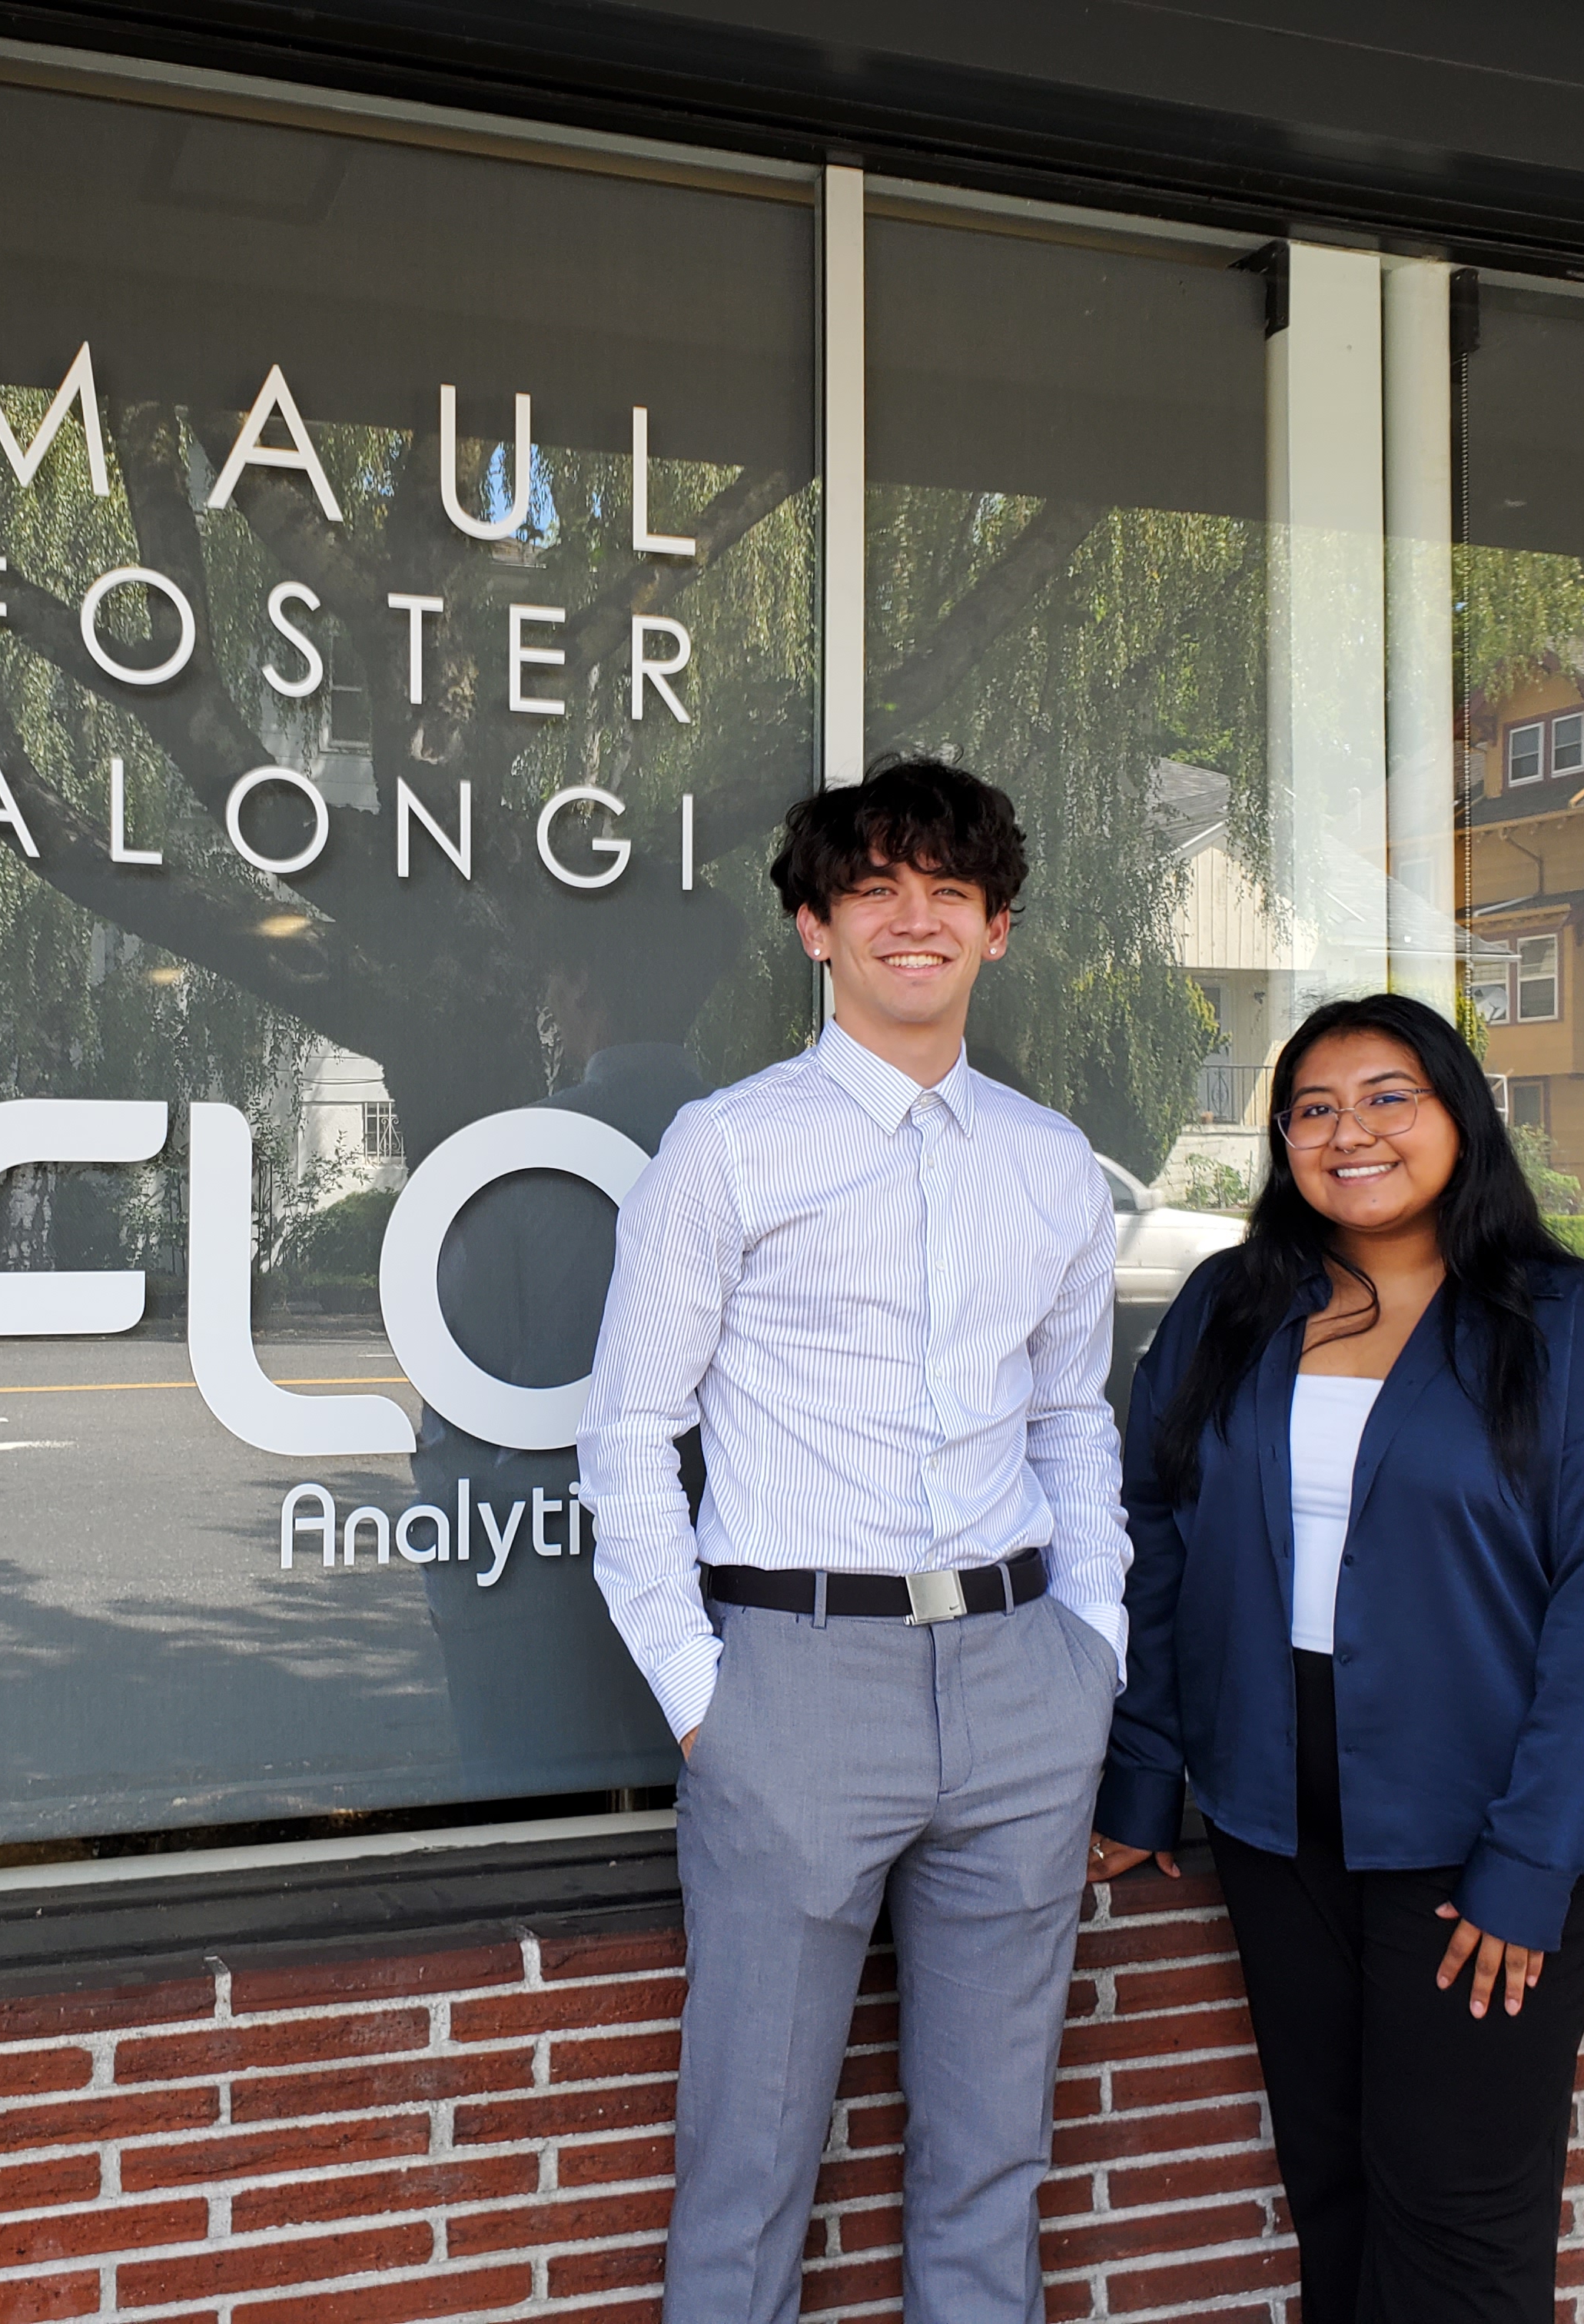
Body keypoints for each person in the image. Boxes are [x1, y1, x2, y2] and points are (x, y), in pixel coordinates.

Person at [579, 759, 1127, 2324]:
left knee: (992, 2163)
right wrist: (705, 1695)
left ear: (995, 932)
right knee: (747, 2168)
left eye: (948, 892)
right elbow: (627, 1433)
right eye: (876, 889)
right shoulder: (729, 1148)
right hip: (795, 1689)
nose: (915, 919)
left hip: (1025, 1686)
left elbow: (1070, 1421)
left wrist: (1096, 1645)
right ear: (815, 927)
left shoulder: (1048, 1162)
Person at [1089, 993, 1584, 2324]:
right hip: (1273, 1820)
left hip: (1483, 1837)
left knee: (1455, 2208)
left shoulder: (1566, 1323)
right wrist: (1143, 1768)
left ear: (1459, 1115)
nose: (1347, 1129)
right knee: (1336, 2182)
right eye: (1312, 1106)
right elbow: (1157, 1535)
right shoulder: (1226, 1308)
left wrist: (1531, 1861)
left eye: (1386, 1095)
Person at [410, 885, 737, 1798]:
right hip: (722, 1568)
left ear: (585, 986)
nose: (548, 1000)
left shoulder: (519, 1157)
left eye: (555, 977)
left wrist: (458, 1560)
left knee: (531, 1841)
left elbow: (459, 1398)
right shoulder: (756, 1151)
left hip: (536, 1568)